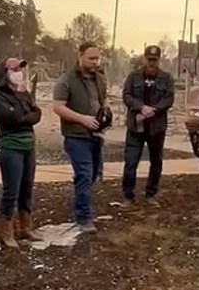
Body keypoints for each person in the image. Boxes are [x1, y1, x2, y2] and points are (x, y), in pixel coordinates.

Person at [52, 42, 111, 234]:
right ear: (80, 56)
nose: (95, 62)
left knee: (93, 174)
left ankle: (81, 201)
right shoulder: (66, 80)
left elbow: (103, 101)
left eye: (97, 58)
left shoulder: (100, 79)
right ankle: (83, 217)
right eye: (91, 58)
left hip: (96, 134)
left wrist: (106, 115)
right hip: (76, 135)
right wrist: (82, 119)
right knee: (85, 173)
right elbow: (58, 107)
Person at [0, 57, 42, 248]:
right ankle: (6, 231)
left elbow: (37, 114)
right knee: (10, 191)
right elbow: (12, 117)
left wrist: (23, 114)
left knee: (26, 189)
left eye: (20, 69)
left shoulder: (25, 93)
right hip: (11, 146)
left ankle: (25, 227)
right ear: (4, 73)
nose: (18, 73)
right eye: (14, 69)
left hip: (29, 145)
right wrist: (24, 113)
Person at [121, 45, 175, 204]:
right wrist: (141, 107)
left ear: (159, 59)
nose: (152, 63)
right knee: (131, 162)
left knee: (156, 162)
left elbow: (169, 98)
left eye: (155, 60)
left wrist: (154, 110)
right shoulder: (133, 77)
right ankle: (128, 195)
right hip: (135, 127)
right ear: (144, 58)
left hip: (156, 127)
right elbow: (126, 95)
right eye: (149, 59)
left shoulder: (167, 78)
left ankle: (151, 193)